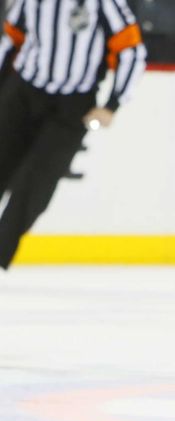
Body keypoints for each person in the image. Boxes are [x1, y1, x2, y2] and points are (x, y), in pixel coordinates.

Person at [0, 0, 146, 269]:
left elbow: (132, 50)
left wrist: (113, 104)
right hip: (23, 93)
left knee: (35, 185)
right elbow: (11, 39)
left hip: (73, 105)